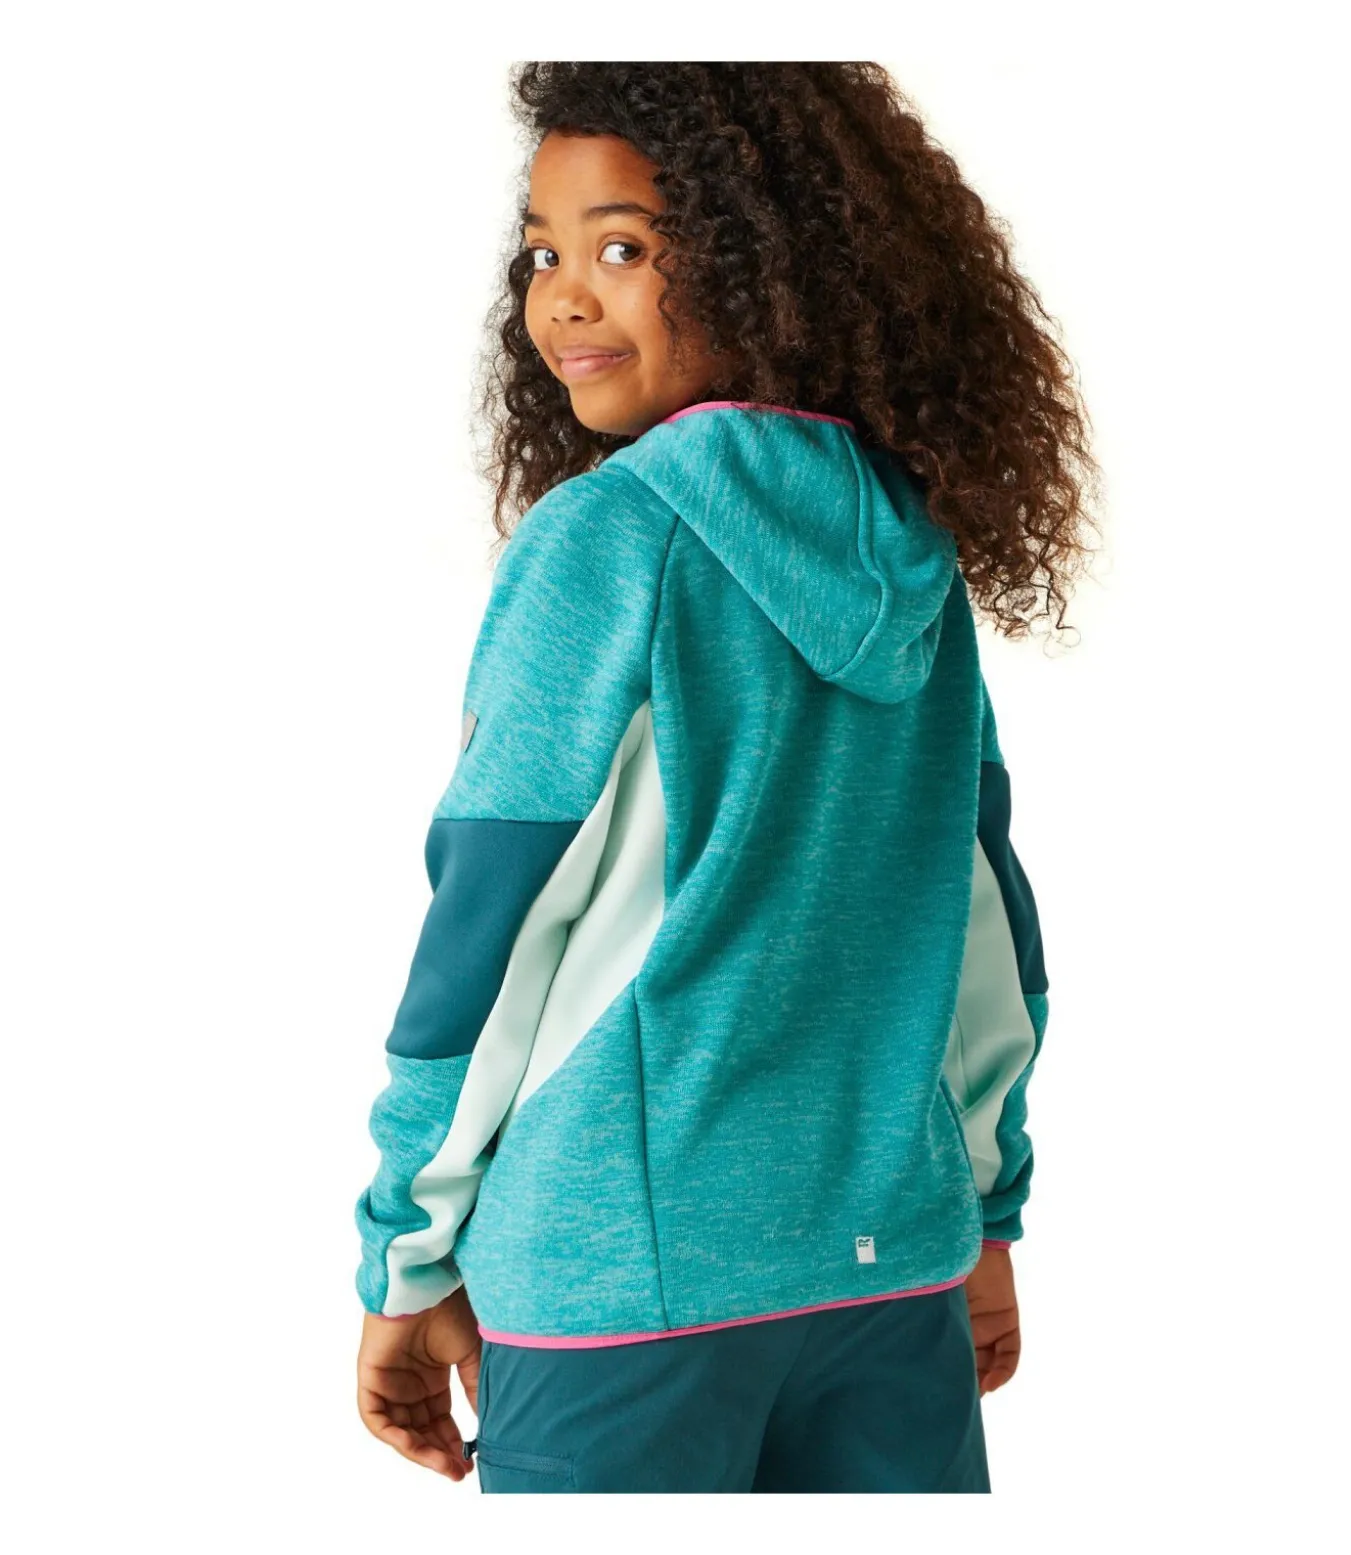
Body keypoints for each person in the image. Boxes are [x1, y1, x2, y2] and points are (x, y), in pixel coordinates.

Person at [352, 61, 1101, 1494]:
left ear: (772, 264)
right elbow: (980, 925)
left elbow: (491, 934)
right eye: (544, 254)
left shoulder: (607, 539)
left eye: (623, 249)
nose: (564, 300)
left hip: (621, 1287)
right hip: (888, 1271)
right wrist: (982, 1209)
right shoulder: (911, 555)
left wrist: (407, 1252)